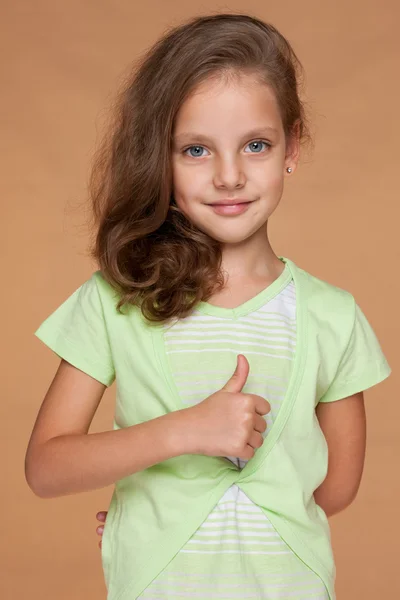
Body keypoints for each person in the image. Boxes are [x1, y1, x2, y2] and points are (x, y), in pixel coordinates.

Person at [25, 12, 391, 600]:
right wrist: (184, 435)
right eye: (196, 150)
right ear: (160, 159)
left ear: (292, 146)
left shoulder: (336, 315)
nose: (229, 175)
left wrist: (167, 511)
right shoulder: (115, 300)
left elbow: (338, 491)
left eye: (255, 145)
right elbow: (46, 468)